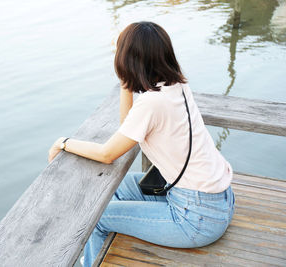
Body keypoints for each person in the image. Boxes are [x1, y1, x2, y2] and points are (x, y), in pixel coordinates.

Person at [48, 21, 235, 267]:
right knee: (109, 187)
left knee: (95, 218)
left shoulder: (152, 103)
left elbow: (107, 154)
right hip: (217, 200)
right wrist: (128, 82)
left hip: (197, 218)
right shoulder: (177, 85)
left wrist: (64, 143)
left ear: (130, 60)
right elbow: (128, 126)